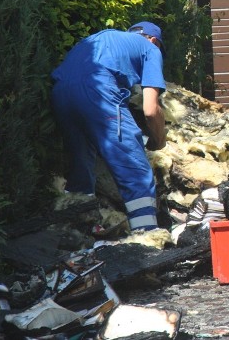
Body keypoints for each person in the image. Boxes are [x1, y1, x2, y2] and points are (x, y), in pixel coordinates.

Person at [51, 22, 167, 232]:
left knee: (82, 164)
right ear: (153, 39)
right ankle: (148, 239)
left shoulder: (100, 38)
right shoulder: (150, 48)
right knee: (134, 166)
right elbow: (151, 109)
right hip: (98, 88)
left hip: (61, 91)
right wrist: (159, 139)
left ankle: (78, 233)